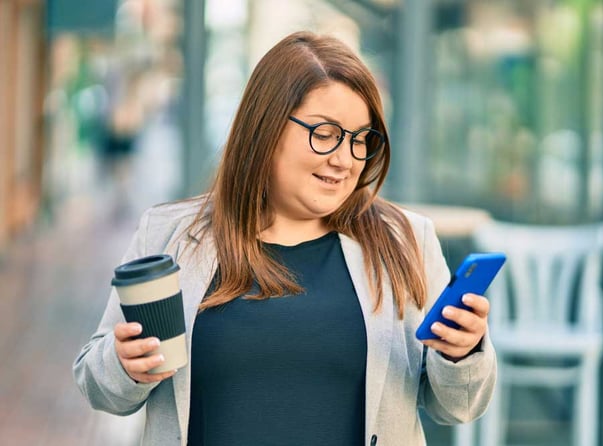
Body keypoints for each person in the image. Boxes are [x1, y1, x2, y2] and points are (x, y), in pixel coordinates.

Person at [73, 31, 496, 446]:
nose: (344, 159)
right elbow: (99, 386)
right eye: (325, 134)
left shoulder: (404, 240)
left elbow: (457, 407)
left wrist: (459, 353)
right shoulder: (172, 235)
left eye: (360, 140)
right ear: (266, 128)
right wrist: (126, 365)